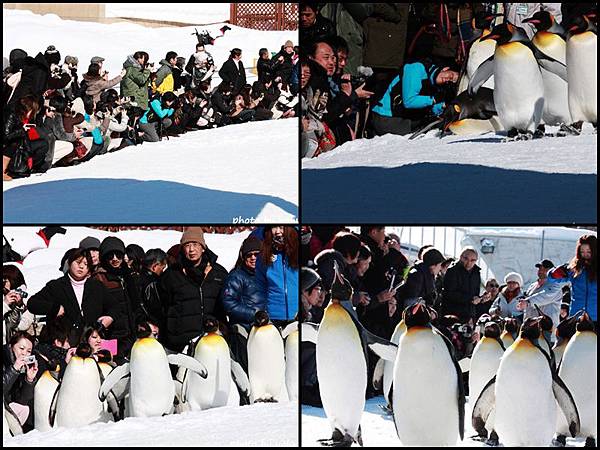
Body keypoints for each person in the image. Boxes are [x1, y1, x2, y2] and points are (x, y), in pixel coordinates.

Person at [27, 248, 119, 347]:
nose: (81, 266)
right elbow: (32, 303)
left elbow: (116, 307)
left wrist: (109, 318)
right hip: (64, 344)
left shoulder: (97, 286)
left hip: (92, 344)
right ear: (70, 262)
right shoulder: (56, 286)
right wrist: (54, 308)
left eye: (86, 264)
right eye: (78, 262)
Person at [160, 227, 228, 352]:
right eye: (187, 245)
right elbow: (162, 307)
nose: (191, 249)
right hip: (180, 343)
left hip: (212, 339)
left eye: (195, 244)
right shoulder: (171, 275)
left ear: (203, 247)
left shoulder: (218, 273)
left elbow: (225, 305)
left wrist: (222, 328)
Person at [371, 59, 459, 136]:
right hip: (385, 117)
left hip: (402, 117)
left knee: (435, 124)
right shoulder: (416, 68)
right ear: (446, 69)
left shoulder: (436, 87)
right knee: (426, 130)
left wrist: (443, 106)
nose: (448, 79)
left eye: (450, 82)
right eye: (451, 76)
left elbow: (431, 109)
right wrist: (434, 100)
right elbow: (409, 101)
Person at [221, 236, 264, 372]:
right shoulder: (236, 276)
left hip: (264, 330)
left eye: (256, 254)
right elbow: (228, 303)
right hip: (244, 331)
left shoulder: (266, 275)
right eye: (249, 255)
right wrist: (254, 314)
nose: (253, 258)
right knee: (247, 371)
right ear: (243, 257)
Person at [92, 237, 138, 357]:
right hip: (110, 336)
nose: (115, 259)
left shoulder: (127, 275)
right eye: (110, 256)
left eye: (118, 255)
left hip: (130, 334)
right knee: (113, 368)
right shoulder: (99, 278)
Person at [547, 234, 597, 328]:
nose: (585, 255)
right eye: (582, 252)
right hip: (576, 317)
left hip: (595, 318)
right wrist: (559, 271)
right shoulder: (575, 269)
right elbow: (551, 277)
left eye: (589, 252)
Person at [255, 226, 299, 328]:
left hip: (297, 315)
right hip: (273, 317)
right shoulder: (263, 256)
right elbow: (260, 287)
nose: (278, 232)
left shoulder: (297, 252)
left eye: (282, 227)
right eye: (274, 227)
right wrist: (263, 312)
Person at [3, 95, 48, 180]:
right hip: (11, 145)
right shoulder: (12, 115)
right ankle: (5, 169)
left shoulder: (20, 116)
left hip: (20, 143)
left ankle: (27, 166)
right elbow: (6, 136)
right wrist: (22, 130)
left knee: (42, 148)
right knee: (42, 145)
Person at [3, 331, 38, 431]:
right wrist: (14, 370)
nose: (24, 353)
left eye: (28, 351)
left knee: (24, 409)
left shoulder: (21, 367)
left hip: (7, 410)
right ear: (11, 346)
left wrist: (29, 379)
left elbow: (22, 401)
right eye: (21, 348)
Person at [517, 259, 563, 334]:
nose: (541, 271)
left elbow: (545, 296)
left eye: (545, 269)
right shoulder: (532, 286)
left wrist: (528, 301)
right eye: (540, 268)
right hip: (530, 329)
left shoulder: (555, 285)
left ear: (551, 271)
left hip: (547, 330)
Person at [441, 247, 481, 324]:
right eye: (466, 258)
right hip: (453, 315)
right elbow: (449, 293)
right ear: (460, 257)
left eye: (473, 260)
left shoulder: (476, 272)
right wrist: (471, 298)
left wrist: (480, 299)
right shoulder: (452, 270)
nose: (469, 262)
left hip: (469, 315)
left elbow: (476, 293)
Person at [134, 248, 168, 337]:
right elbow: (156, 308)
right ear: (155, 266)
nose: (162, 272)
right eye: (162, 268)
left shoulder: (135, 279)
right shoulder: (153, 283)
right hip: (151, 328)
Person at [3, 265, 32, 346]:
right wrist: (5, 304)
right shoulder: (5, 299)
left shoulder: (26, 299)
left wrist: (18, 306)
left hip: (21, 345)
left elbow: (22, 326)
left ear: (13, 280)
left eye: (5, 281)